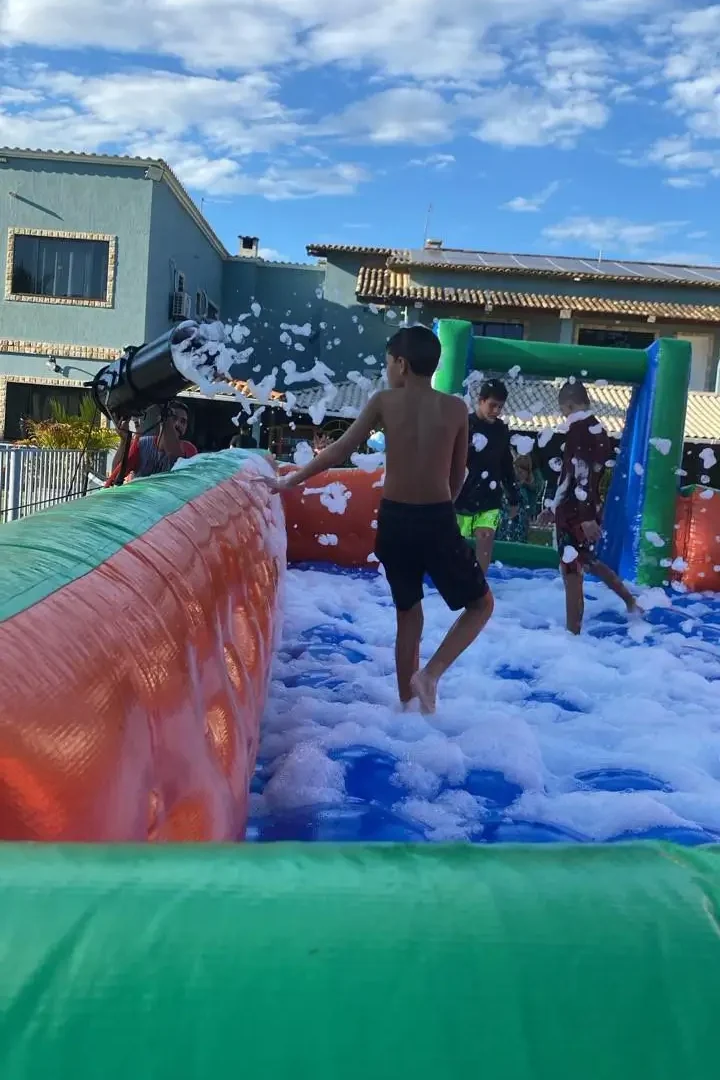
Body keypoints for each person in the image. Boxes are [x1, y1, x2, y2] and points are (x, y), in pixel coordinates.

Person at [257, 325, 494, 714]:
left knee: (408, 613)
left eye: (388, 363)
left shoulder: (384, 401)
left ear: (401, 364)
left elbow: (339, 451)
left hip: (393, 520)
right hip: (435, 519)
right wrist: (441, 510)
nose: (387, 371)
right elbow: (458, 475)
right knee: (481, 605)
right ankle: (431, 675)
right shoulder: (454, 408)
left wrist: (290, 480)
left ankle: (406, 708)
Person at [541, 380, 637, 634]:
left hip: (576, 513)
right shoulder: (598, 429)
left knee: (571, 570)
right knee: (589, 560)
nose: (563, 416)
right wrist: (554, 506)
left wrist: (582, 516)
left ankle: (573, 635)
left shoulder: (579, 430)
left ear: (569, 405)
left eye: (563, 410)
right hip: (588, 507)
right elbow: (582, 476)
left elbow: (578, 474)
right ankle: (630, 601)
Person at [455, 379, 519, 573]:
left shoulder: (501, 430)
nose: (496, 411)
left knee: (485, 537)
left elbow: (506, 464)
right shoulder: (465, 425)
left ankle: (479, 586)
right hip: (462, 495)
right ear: (480, 401)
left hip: (491, 497)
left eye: (500, 407)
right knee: (455, 544)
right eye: (492, 405)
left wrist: (513, 497)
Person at [106, 400, 197, 486]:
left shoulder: (189, 449)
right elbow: (115, 477)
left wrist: (167, 419)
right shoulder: (142, 444)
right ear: (160, 419)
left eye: (183, 421)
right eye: (174, 418)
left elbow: (174, 456)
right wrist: (124, 442)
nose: (178, 424)